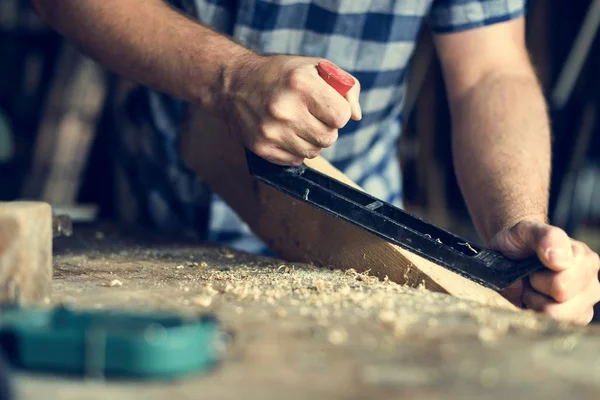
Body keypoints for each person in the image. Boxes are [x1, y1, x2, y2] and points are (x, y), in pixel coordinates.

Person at [33, 0, 600, 325]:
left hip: (358, 253)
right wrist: (228, 77)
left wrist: (516, 229)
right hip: (148, 213)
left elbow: (489, 71)